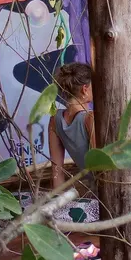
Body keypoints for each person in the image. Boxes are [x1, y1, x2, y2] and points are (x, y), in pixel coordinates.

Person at [47, 62, 96, 194]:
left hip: (93, 192)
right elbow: (103, 170)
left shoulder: (54, 119)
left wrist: (57, 205)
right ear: (84, 89)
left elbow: (57, 174)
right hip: (106, 193)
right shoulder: (90, 119)